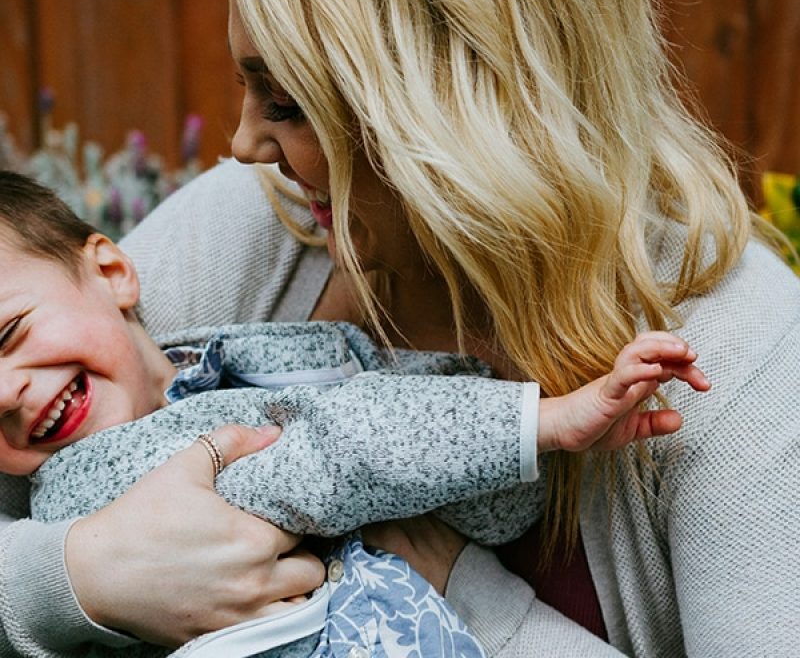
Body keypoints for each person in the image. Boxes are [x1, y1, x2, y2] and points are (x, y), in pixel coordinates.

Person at [0, 0, 797, 656]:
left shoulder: (735, 350)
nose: (243, 144)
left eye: (288, 104)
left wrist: (447, 582)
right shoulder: (262, 226)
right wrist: (83, 576)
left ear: (454, 104)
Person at [0, 170, 707, 658]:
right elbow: (327, 456)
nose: (4, 395)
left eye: (10, 335)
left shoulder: (240, 361)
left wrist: (508, 461)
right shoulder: (88, 487)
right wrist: (541, 423)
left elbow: (484, 508)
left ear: (115, 273)